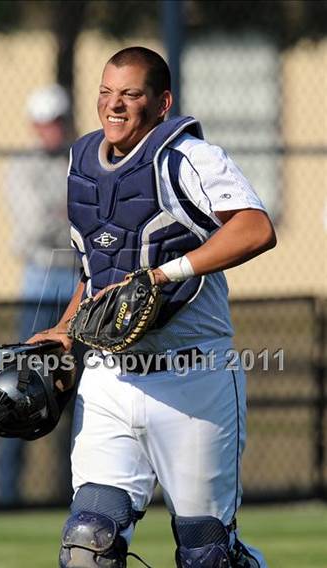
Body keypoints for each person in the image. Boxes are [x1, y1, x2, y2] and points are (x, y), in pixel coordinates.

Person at [28, 47, 276, 567]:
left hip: (194, 376)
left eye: (131, 94)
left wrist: (169, 272)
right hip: (110, 379)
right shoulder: (82, 162)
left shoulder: (188, 157)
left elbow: (256, 228)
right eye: (106, 92)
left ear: (162, 102)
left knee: (206, 555)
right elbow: (98, 273)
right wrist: (66, 330)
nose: (114, 106)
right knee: (85, 546)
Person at [0, 84, 77, 505]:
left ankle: (77, 490)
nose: (52, 130)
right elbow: (33, 226)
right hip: (40, 278)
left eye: (58, 121)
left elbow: (87, 221)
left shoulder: (81, 160)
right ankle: (6, 497)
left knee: (81, 388)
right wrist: (68, 215)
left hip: (79, 281)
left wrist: (60, 215)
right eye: (45, 123)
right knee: (20, 384)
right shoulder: (22, 166)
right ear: (35, 125)